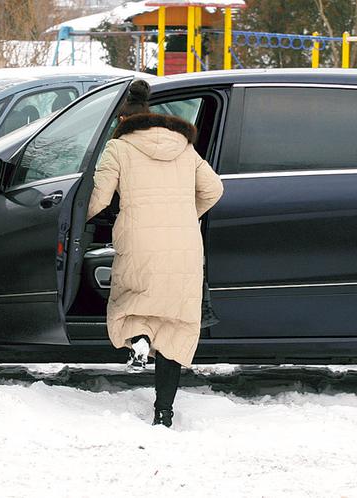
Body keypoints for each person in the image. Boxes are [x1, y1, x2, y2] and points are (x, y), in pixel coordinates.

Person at [87, 80, 224, 428]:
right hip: (184, 243)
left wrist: (73, 219)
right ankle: (164, 412)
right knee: (175, 323)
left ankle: (140, 338)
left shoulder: (117, 149)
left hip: (139, 239)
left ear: (122, 118)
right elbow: (214, 189)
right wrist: (184, 214)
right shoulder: (184, 146)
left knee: (133, 302)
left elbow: (100, 199)